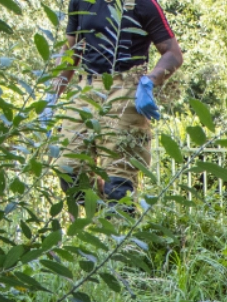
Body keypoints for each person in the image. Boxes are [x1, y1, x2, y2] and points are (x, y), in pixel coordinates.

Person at [51, 0, 183, 203]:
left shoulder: (144, 4)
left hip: (125, 90)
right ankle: (96, 216)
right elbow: (72, 49)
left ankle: (118, 218)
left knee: (118, 186)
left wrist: (149, 81)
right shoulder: (80, 2)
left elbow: (173, 53)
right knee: (69, 172)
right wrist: (52, 95)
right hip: (85, 89)